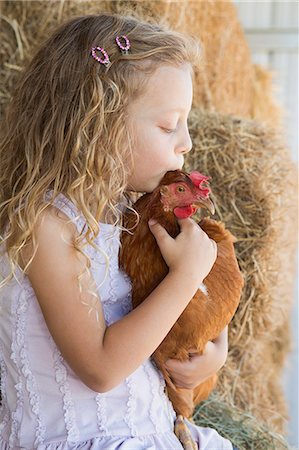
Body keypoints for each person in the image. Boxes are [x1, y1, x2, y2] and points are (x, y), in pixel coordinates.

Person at [0, 12, 235, 449]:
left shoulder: (128, 215)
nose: (186, 142)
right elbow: (101, 368)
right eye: (169, 125)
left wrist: (213, 350)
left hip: (152, 431)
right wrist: (186, 277)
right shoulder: (46, 225)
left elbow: (170, 316)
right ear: (98, 126)